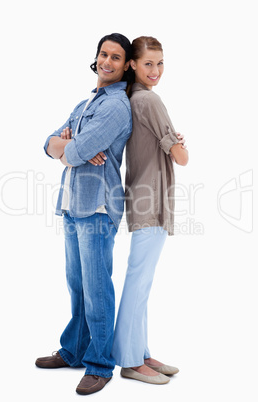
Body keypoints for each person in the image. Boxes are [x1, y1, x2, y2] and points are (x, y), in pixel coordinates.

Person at [35, 33, 133, 396]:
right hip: (73, 203)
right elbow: (48, 142)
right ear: (97, 58)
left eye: (116, 57)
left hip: (97, 208)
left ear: (126, 65)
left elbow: (74, 153)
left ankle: (100, 364)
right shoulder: (85, 102)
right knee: (76, 286)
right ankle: (75, 350)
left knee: (97, 290)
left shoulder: (116, 106)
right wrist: (65, 146)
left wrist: (69, 148)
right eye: (104, 54)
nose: (108, 61)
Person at [111, 36, 189, 384]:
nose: (155, 70)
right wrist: (178, 143)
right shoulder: (150, 100)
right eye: (148, 63)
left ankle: (140, 351)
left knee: (142, 282)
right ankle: (129, 360)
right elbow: (182, 158)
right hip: (151, 199)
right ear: (133, 65)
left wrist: (171, 142)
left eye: (160, 63)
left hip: (143, 196)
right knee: (138, 282)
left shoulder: (133, 98)